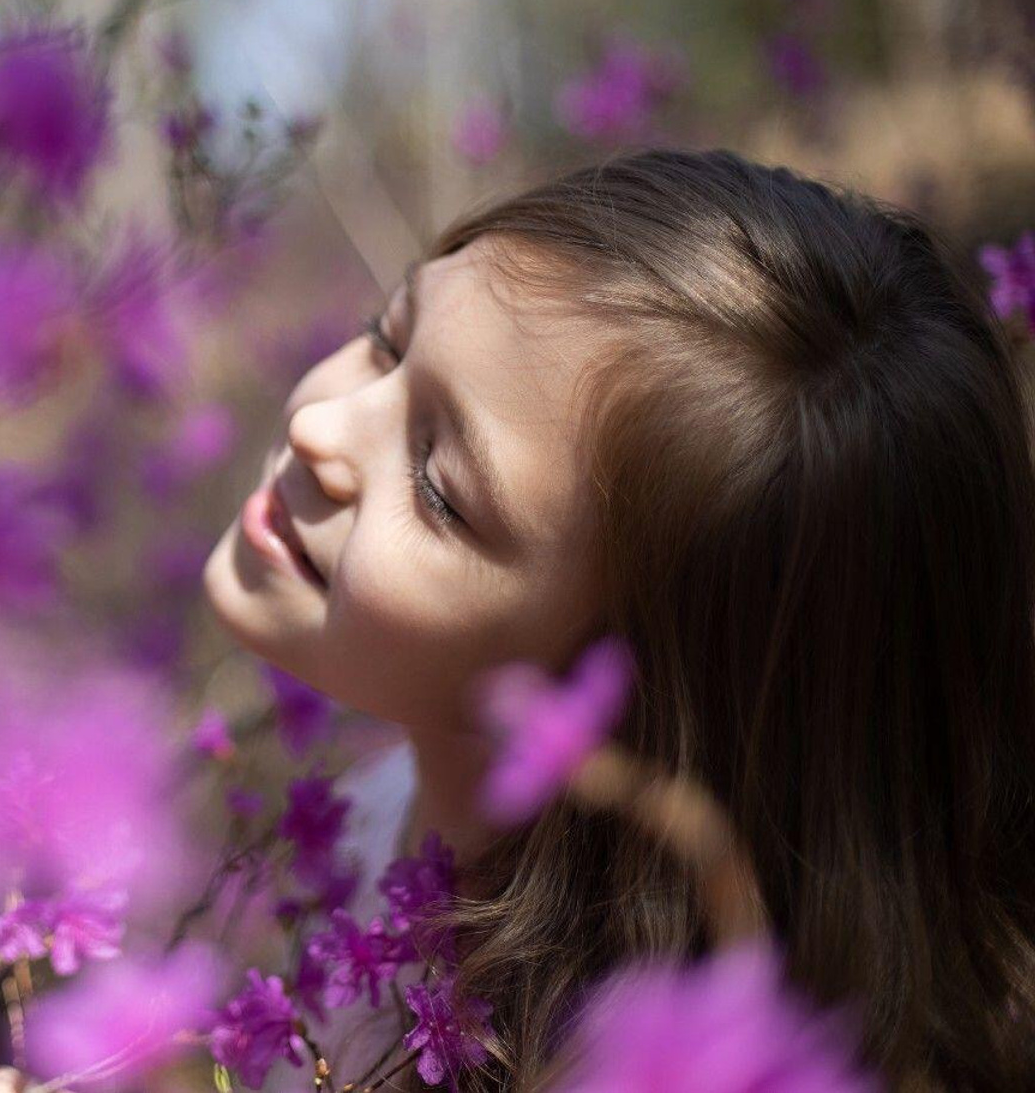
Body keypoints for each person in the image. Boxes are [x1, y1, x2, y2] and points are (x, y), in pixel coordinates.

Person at [200, 148, 1035, 1091]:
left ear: (637, 702)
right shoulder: (373, 824)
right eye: (387, 338)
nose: (324, 423)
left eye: (439, 489)